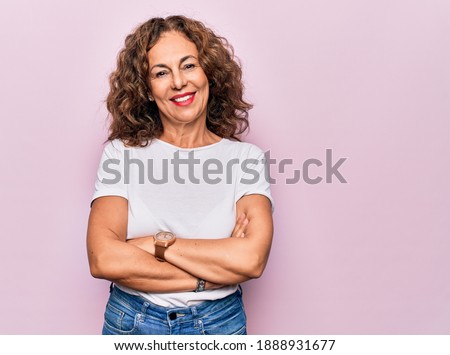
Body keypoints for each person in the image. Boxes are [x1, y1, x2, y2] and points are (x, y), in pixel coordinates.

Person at [87, 15, 274, 335]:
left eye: (189, 65)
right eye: (161, 72)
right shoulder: (121, 154)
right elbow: (104, 259)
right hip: (132, 322)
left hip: (219, 325)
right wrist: (209, 276)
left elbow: (251, 259)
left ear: (209, 75)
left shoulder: (245, 159)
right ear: (147, 90)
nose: (178, 82)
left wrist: (155, 243)